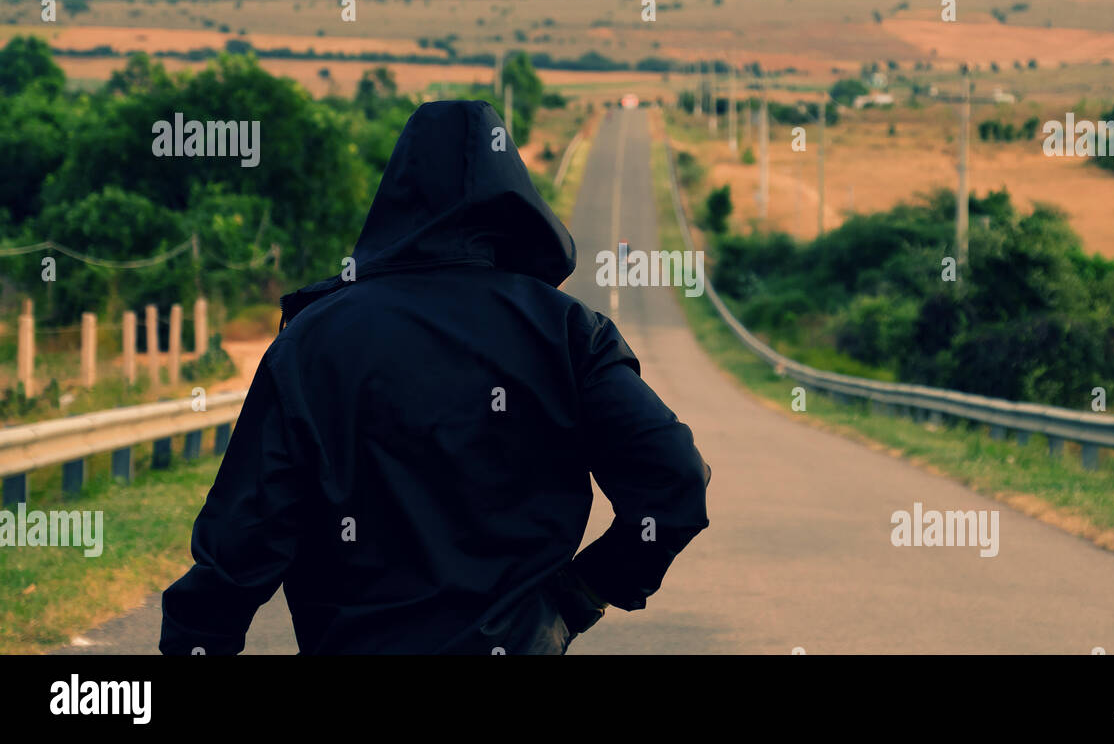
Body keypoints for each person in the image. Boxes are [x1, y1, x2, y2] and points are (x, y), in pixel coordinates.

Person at [159, 100, 711, 655]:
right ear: (516, 205)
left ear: (397, 195)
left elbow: (240, 543)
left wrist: (199, 638)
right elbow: (676, 481)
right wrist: (578, 594)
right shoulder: (566, 332)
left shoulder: (312, 340)